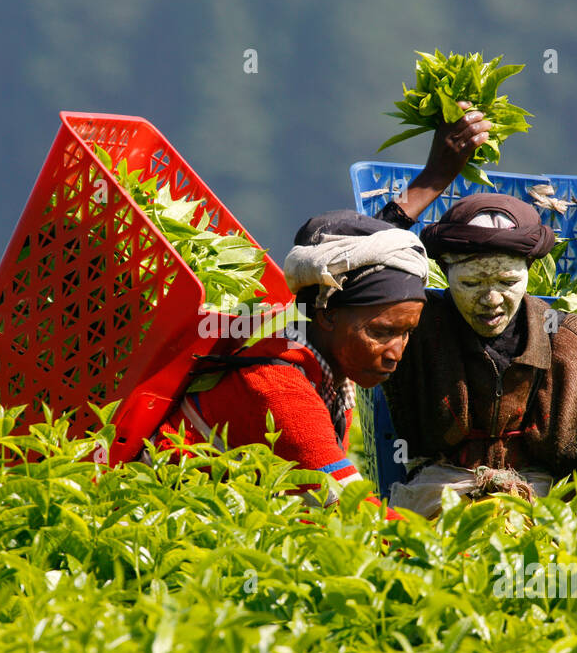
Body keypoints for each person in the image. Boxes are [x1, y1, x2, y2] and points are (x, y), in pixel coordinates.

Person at [370, 113, 577, 517]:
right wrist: (432, 178)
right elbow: (351, 273)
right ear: (445, 274)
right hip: (434, 504)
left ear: (530, 275)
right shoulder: (418, 327)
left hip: (536, 513)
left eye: (508, 282)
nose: (491, 300)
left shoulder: (568, 342)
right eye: (472, 283)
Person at [148, 210, 434, 504]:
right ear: (328, 315)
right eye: (381, 332)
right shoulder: (279, 389)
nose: (395, 353)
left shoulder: (331, 378)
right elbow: (353, 510)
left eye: (406, 333)